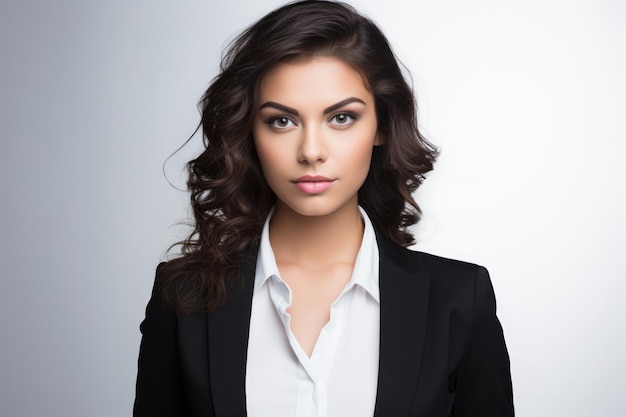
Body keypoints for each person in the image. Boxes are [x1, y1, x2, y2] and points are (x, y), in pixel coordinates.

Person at [133, 1, 514, 416]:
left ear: (382, 125)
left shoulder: (458, 299)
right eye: (282, 121)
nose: (311, 151)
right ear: (248, 131)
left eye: (342, 118)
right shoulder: (184, 297)